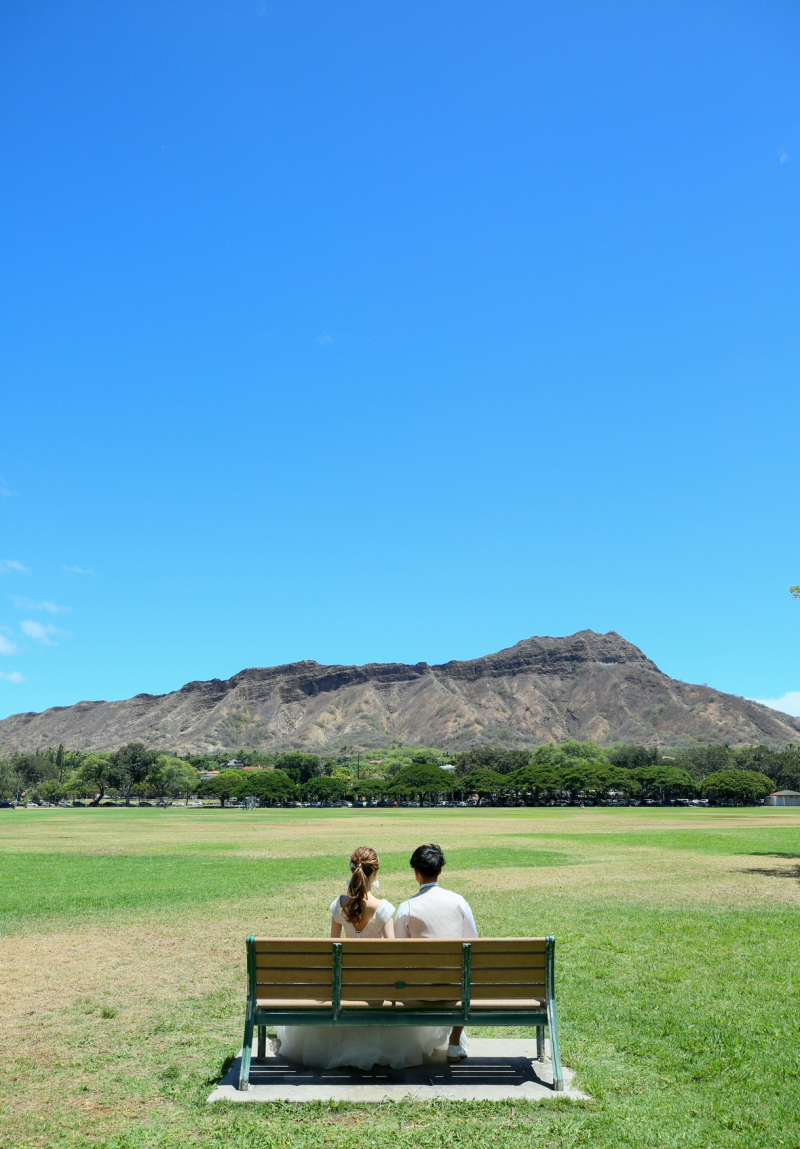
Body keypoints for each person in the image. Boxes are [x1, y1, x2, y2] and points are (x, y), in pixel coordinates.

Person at [275, 847, 450, 1070]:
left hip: (346, 984)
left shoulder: (339, 906)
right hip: (375, 988)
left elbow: (333, 948)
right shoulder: (384, 909)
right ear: (374, 873)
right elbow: (393, 955)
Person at [394, 843, 478, 1063]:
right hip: (454, 991)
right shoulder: (459, 902)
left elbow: (396, 955)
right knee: (463, 975)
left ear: (416, 873)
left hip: (417, 992)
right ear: (440, 870)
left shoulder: (406, 908)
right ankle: (454, 1042)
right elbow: (473, 944)